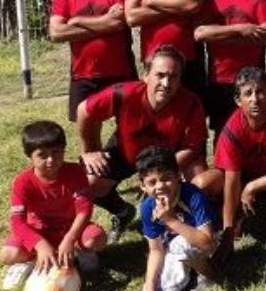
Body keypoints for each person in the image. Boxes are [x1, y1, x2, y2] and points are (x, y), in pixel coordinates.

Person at [76, 45, 208, 243]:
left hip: (168, 158)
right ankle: (122, 211)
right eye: (160, 75)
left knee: (201, 180)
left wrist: (161, 174)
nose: (166, 83)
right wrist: (89, 151)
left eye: (173, 77)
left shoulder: (191, 104)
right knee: (87, 182)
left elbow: (193, 146)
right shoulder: (123, 94)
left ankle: (199, 224)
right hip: (126, 151)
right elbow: (84, 111)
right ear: (146, 75)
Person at [192, 67, 266, 246]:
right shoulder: (232, 129)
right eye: (248, 94)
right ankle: (217, 219)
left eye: (260, 92)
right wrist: (228, 229)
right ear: (238, 100)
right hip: (241, 179)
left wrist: (253, 187)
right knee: (201, 184)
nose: (255, 99)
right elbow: (232, 179)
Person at [0, 121, 106, 290]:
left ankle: (80, 253)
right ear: (29, 156)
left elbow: (84, 210)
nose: (51, 160)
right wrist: (39, 244)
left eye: (56, 152)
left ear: (64, 150)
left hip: (70, 229)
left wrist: (70, 238)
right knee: (8, 254)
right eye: (42, 155)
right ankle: (31, 260)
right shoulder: (22, 182)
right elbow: (17, 221)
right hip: (39, 232)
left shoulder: (76, 172)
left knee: (96, 239)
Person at [48, 0, 136, 122]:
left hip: (121, 72)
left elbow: (118, 23)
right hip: (83, 75)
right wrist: (105, 21)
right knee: (86, 127)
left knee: (129, 125)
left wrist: (77, 21)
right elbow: (56, 33)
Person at [194, 0, 266, 132]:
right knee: (222, 130)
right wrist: (241, 29)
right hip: (220, 78)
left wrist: (218, 35)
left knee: (254, 128)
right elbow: (200, 33)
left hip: (253, 79)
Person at [138, 147, 219, 291]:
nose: (160, 186)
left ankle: (208, 272)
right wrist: (149, 284)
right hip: (172, 247)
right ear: (143, 187)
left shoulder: (193, 195)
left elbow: (207, 243)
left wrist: (170, 220)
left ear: (178, 176)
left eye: (166, 178)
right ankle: (188, 272)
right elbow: (156, 249)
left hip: (207, 241)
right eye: (152, 182)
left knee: (181, 247)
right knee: (163, 286)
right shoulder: (147, 207)